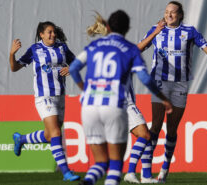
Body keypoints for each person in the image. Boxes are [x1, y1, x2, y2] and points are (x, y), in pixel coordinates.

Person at [69, 10, 173, 185]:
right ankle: (132, 173)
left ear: (108, 27)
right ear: (127, 29)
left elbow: (73, 69)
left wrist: (84, 89)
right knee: (126, 153)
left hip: (89, 106)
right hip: (116, 103)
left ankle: (92, 180)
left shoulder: (94, 46)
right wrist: (162, 97)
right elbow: (145, 78)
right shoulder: (128, 48)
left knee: (101, 162)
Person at [137, 1, 207, 183]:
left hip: (180, 84)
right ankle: (146, 172)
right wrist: (153, 34)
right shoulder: (156, 29)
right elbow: (140, 47)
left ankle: (165, 167)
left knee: (172, 128)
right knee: (156, 125)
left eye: (173, 13)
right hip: (159, 82)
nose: (169, 15)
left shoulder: (189, 31)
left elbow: (204, 45)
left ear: (180, 15)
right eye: (167, 12)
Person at [86, 13, 158, 184]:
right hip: (123, 101)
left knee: (146, 136)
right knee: (145, 135)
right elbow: (137, 49)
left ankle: (146, 175)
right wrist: (155, 33)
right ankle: (131, 172)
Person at [9, 21, 80, 181]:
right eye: (49, 32)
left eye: (54, 32)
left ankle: (21, 139)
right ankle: (66, 172)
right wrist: (12, 54)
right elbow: (14, 68)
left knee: (50, 135)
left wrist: (71, 68)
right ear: (41, 34)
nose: (53, 35)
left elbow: (77, 62)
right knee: (56, 133)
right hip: (44, 96)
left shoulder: (62, 47)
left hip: (60, 96)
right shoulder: (35, 49)